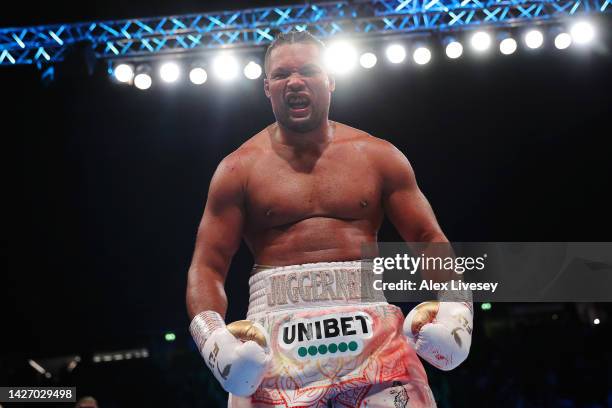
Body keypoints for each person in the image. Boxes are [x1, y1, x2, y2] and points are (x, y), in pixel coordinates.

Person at [186, 31, 473, 408]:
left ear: (330, 80)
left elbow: (426, 236)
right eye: (282, 74)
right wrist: (213, 340)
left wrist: (457, 306)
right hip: (275, 343)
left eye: (308, 71)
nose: (295, 82)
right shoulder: (238, 169)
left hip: (374, 339)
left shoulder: (378, 156)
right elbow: (207, 266)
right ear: (267, 88)